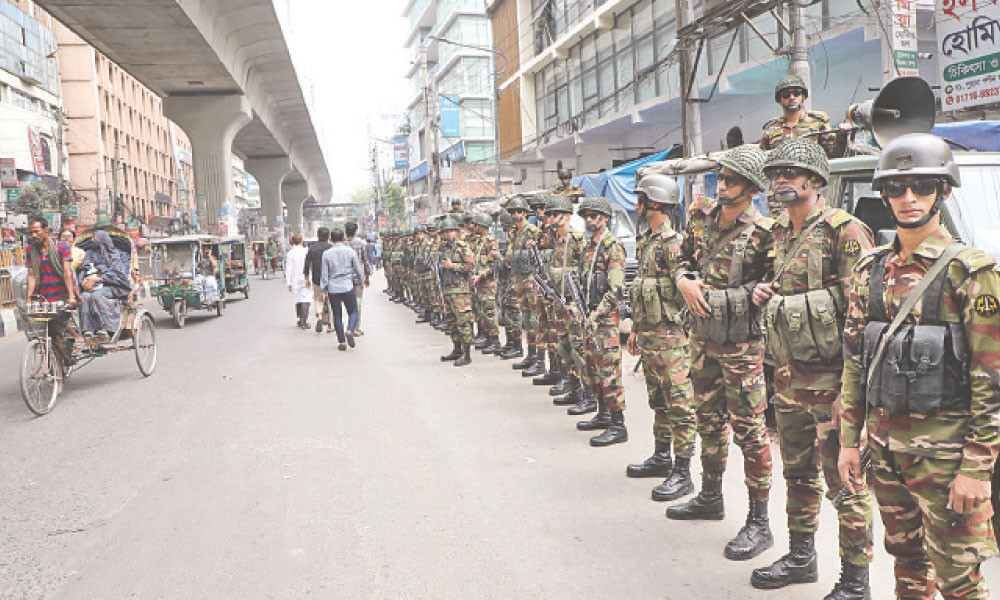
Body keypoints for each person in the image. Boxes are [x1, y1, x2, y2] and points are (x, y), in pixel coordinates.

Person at [838, 133, 1000, 600]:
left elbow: (991, 379)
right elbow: (855, 364)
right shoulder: (870, 269)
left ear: (943, 192)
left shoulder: (968, 273)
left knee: (959, 581)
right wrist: (851, 441)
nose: (909, 199)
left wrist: (978, 468)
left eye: (923, 187)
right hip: (885, 451)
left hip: (946, 458)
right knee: (908, 563)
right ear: (884, 195)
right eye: (897, 188)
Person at [749, 138, 875, 599]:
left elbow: (862, 314)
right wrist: (767, 295)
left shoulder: (845, 231)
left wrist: (853, 390)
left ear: (814, 181)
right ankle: (802, 557)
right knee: (797, 474)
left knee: (844, 483)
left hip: (832, 384)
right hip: (787, 378)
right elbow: (784, 293)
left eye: (789, 173)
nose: (779, 180)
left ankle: (856, 582)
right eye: (775, 173)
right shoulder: (780, 232)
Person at [667, 145, 776, 564]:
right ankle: (710, 496)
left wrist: (737, 295)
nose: (721, 185)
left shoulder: (765, 231)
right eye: (720, 178)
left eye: (729, 180)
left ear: (749, 188)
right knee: (708, 421)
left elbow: (775, 285)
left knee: (750, 431)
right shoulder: (701, 218)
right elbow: (681, 261)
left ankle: (759, 522)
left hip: (742, 347)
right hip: (702, 340)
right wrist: (684, 282)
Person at [625, 174, 698, 503]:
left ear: (655, 204)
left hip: (672, 340)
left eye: (641, 199)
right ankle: (661, 456)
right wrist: (637, 330)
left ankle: (682, 472)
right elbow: (642, 291)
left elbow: (684, 288)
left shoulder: (672, 243)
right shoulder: (647, 242)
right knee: (659, 402)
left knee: (680, 405)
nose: (637, 205)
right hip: (651, 338)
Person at [572, 196, 628, 447]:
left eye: (594, 216)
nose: (589, 220)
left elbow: (616, 290)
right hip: (589, 317)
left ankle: (618, 425)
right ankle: (603, 414)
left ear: (605, 219)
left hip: (604, 321)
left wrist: (596, 314)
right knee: (592, 369)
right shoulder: (587, 247)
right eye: (586, 216)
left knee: (609, 373)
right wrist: (578, 308)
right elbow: (583, 283)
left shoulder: (611, 247)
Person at [24, 215, 82, 357]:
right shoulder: (30, 250)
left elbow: (67, 273)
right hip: (44, 294)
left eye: (36, 231)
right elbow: (31, 276)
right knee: (48, 329)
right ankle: (57, 371)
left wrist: (70, 296)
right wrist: (29, 299)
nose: (33, 235)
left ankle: (77, 337)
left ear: (46, 230)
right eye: (31, 232)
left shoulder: (61, 247)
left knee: (56, 319)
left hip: (62, 292)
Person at [500, 196, 539, 362]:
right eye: (513, 212)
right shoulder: (514, 235)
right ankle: (530, 354)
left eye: (519, 211)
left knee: (535, 320)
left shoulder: (532, 231)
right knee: (525, 319)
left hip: (531, 282)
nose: (516, 214)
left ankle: (539, 358)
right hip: (518, 281)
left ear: (525, 213)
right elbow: (510, 258)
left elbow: (542, 256)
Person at [77, 230, 132, 342]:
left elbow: (118, 274)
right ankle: (88, 330)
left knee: (97, 295)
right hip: (92, 286)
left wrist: (99, 278)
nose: (93, 241)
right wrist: (83, 282)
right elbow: (83, 269)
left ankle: (105, 328)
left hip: (112, 286)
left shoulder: (114, 255)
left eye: (95, 238)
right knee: (85, 297)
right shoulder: (89, 254)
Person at [436, 216, 476, 366]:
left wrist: (453, 266)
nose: (448, 235)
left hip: (460, 291)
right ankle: (457, 349)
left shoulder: (463, 247)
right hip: (447, 288)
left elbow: (471, 267)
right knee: (451, 321)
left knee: (463, 322)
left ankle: (466, 354)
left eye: (451, 231)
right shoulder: (442, 248)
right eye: (445, 232)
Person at [320, 228, 365, 351]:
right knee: (353, 311)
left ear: (330, 239)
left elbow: (324, 275)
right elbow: (358, 269)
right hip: (347, 286)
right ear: (343, 239)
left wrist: (324, 290)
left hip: (333, 288)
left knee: (337, 314)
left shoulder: (326, 254)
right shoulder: (350, 252)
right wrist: (361, 282)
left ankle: (341, 342)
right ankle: (350, 329)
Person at [345, 222, 372, 336]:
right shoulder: (361, 243)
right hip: (357, 277)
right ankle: (355, 328)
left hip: (345, 278)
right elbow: (365, 261)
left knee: (347, 304)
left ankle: (349, 326)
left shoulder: (342, 244)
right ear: (355, 232)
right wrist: (366, 276)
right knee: (358, 302)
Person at [304, 227, 333, 333]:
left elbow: (307, 263)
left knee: (317, 298)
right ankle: (330, 325)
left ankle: (320, 316)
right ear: (329, 236)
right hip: (330, 279)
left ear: (318, 236)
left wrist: (306, 277)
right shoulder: (331, 247)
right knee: (331, 301)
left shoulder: (312, 248)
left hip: (317, 278)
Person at [285, 234, 312, 329]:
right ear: (301, 241)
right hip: (306, 278)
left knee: (298, 299)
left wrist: (288, 282)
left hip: (295, 279)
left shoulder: (290, 253)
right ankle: (304, 321)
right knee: (306, 299)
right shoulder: (307, 251)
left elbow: (288, 269)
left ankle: (301, 319)